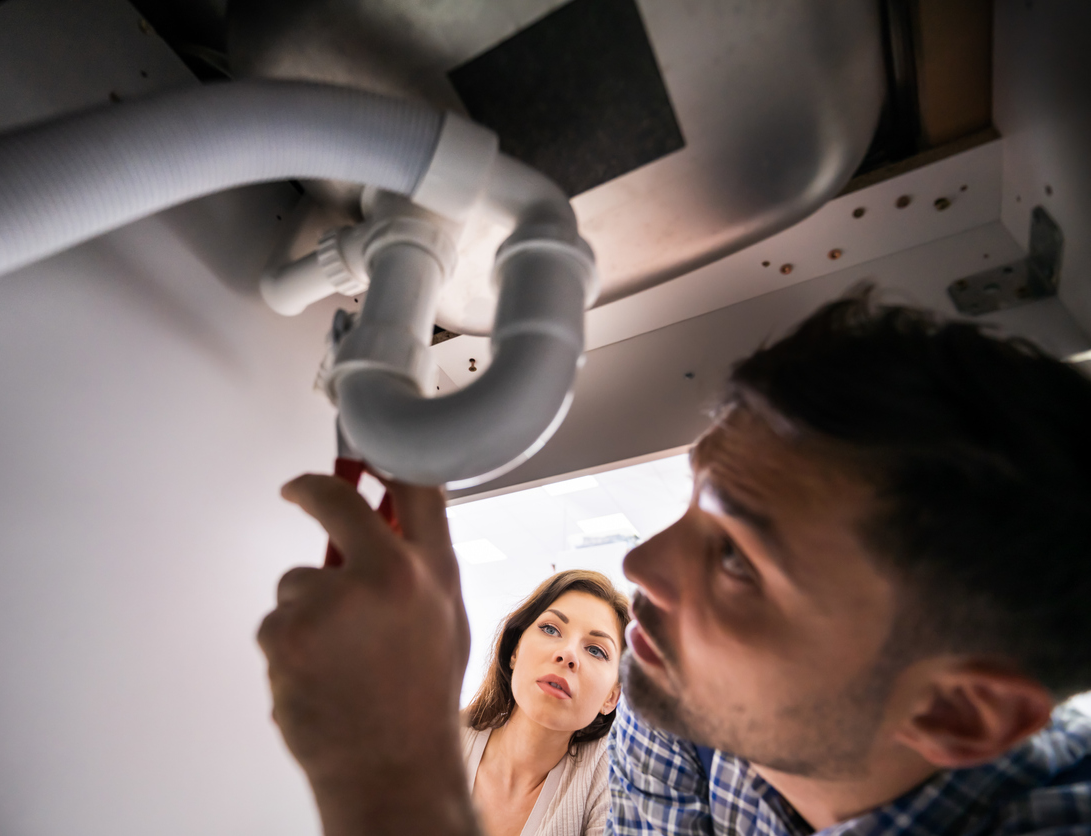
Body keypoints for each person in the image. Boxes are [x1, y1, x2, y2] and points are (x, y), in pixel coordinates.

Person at [257, 287, 1091, 835]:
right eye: (693, 507)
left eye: (738, 559)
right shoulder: (679, 716)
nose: (641, 566)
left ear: (956, 713)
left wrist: (383, 774)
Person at [463, 570, 628, 836]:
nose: (567, 654)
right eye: (550, 629)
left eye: (596, 650)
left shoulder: (613, 777)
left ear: (612, 697)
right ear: (515, 650)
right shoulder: (441, 739)